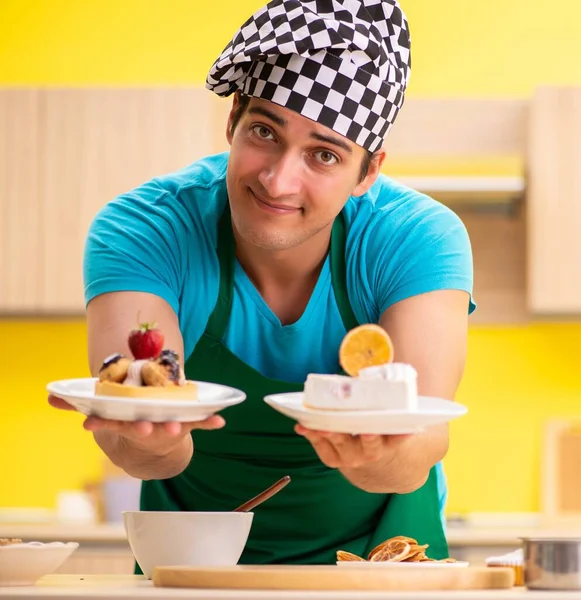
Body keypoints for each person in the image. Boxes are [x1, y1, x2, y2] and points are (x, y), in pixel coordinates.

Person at [50, 0, 475, 566]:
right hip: (190, 554)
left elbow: (418, 447)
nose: (278, 180)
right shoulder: (146, 229)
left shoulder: (416, 238)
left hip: (385, 555)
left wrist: (374, 454)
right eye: (264, 132)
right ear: (231, 123)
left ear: (367, 173)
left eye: (324, 154)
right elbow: (143, 451)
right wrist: (147, 438)